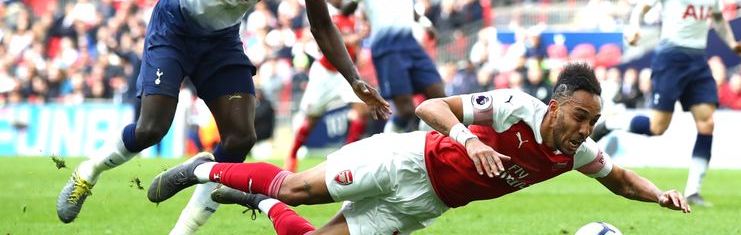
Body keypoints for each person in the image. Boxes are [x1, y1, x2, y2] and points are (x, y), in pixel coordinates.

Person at [56, 0, 390, 234]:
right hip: (176, 26)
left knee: (240, 138)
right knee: (151, 129)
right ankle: (88, 173)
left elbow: (321, 23)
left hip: (222, 40)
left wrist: (354, 78)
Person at [147, 62, 690, 235]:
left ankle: (252, 199)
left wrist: (659, 195)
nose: (585, 130)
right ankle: (206, 170)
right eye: (579, 117)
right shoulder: (514, 106)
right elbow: (433, 106)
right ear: (555, 106)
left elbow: (620, 179)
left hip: (423, 204)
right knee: (299, 188)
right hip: (407, 158)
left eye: (593, 122)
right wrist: (467, 140)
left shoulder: (575, 154)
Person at [592, 0, 741, 207]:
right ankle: (612, 121)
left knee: (707, 122)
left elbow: (717, 17)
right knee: (657, 127)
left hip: (697, 60)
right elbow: (640, 7)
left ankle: (693, 190)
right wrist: (633, 30)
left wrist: (732, 43)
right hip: (670, 58)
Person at [341, 0, 445, 133]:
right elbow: (345, 8)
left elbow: (408, 1)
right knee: (405, 110)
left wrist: (425, 23)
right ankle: (388, 148)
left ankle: (430, 148)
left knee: (440, 98)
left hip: (411, 44)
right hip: (387, 48)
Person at [285, 0, 369, 172]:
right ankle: (293, 153)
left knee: (362, 111)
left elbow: (351, 42)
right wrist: (356, 38)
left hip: (344, 74)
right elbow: (333, 43)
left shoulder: (349, 15)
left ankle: (346, 156)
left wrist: (358, 51)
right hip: (324, 72)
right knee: (313, 118)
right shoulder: (325, 13)